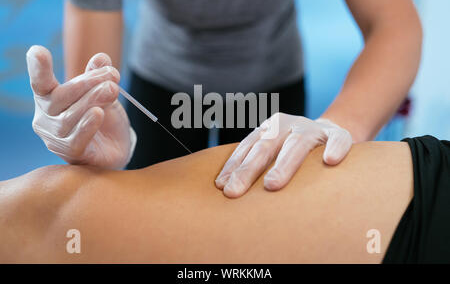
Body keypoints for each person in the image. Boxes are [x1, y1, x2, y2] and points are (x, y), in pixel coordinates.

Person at [31, 0, 422, 198]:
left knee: (267, 235)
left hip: (273, 79)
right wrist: (88, 131)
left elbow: (393, 26)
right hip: (162, 83)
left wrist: (339, 125)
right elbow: (90, 91)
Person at [1, 134, 449, 263]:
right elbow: (45, 220)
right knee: (55, 214)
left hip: (271, 66)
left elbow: (393, 24)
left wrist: (329, 131)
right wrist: (86, 127)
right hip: (165, 73)